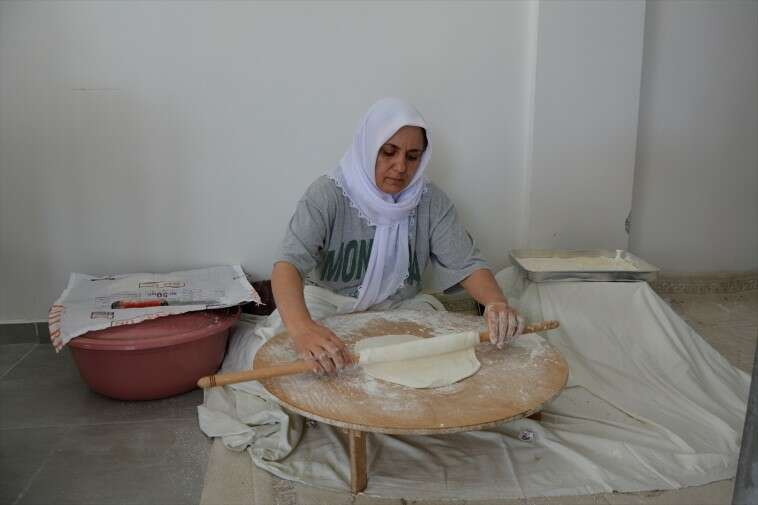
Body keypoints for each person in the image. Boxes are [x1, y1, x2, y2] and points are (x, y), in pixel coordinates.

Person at [271, 98, 524, 375]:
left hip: (399, 307)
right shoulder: (328, 194)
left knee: (440, 360)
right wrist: (303, 329)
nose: (401, 166)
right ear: (368, 148)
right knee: (295, 362)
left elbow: (467, 263)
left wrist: (496, 303)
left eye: (412, 156)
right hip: (329, 304)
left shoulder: (429, 200)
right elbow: (289, 265)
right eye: (388, 152)